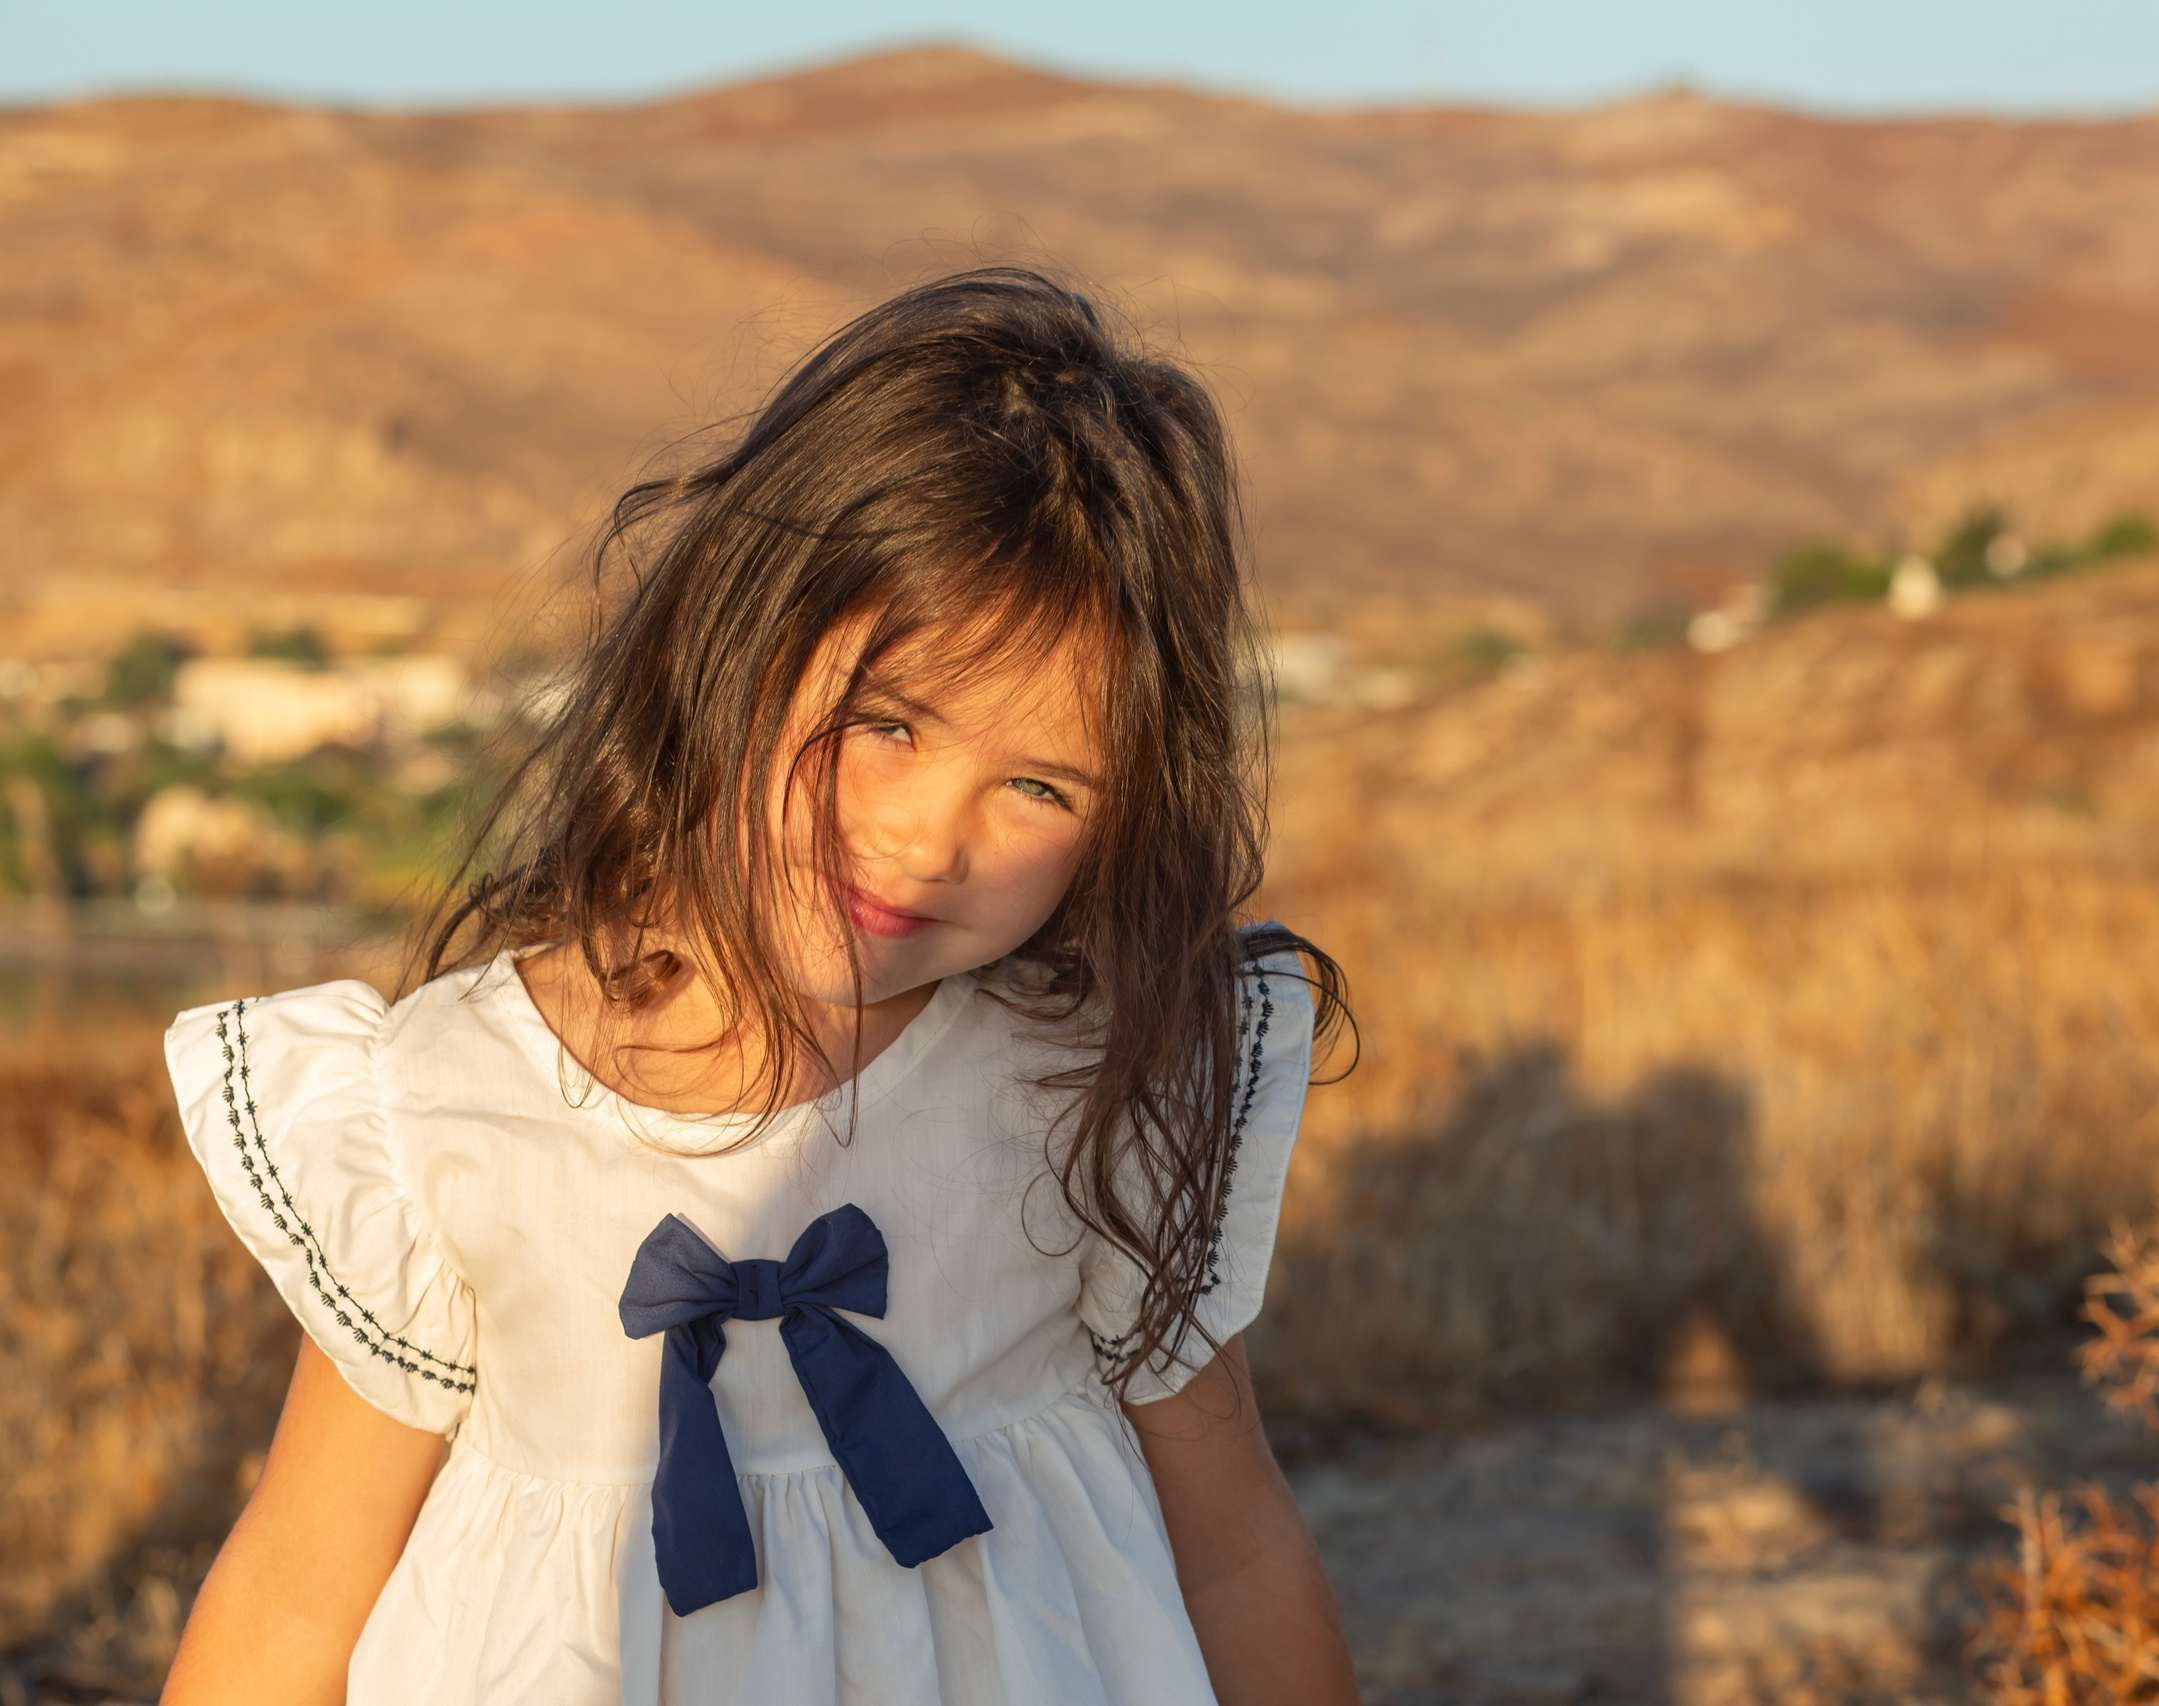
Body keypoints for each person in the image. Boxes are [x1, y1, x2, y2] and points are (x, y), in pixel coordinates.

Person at [156, 269, 1362, 1706]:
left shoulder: (1091, 1083)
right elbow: (301, 1581)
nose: (927, 836)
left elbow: (1234, 1548)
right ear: (736, 639)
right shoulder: (446, 1096)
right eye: (886, 722)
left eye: (1038, 782)